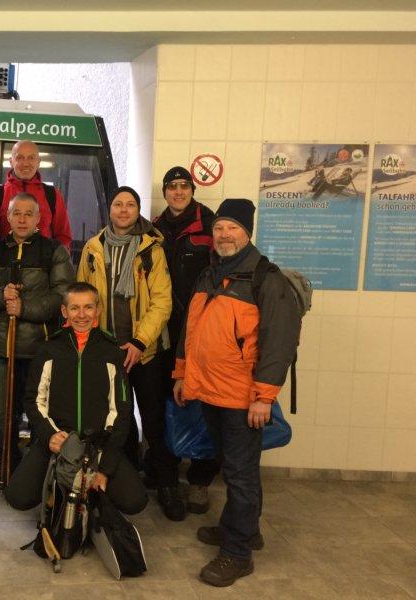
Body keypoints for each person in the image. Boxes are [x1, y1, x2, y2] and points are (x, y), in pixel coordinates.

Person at [172, 199, 301, 587]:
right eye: (219, 228)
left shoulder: (266, 279)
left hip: (243, 397)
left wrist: (264, 397)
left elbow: (279, 343)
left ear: (248, 233)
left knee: (240, 475)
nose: (224, 234)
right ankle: (244, 529)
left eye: (233, 228)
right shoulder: (210, 274)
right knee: (233, 467)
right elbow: (190, 330)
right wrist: (182, 373)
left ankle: (238, 553)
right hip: (209, 391)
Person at [4, 282, 148, 515]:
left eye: (88, 307)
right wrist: (49, 435)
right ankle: (60, 488)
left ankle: (91, 496)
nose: (82, 315)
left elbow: (121, 411)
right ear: (64, 311)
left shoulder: (112, 352)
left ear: (98, 310)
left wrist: (105, 469)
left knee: (135, 501)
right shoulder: (49, 349)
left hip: (98, 444)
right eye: (74, 308)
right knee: (17, 496)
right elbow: (33, 400)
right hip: (59, 439)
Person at [76, 186, 174, 518]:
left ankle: (167, 484)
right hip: (106, 351)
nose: (123, 210)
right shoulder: (93, 248)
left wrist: (139, 341)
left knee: (153, 419)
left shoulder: (151, 250)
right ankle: (127, 481)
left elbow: (162, 302)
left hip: (143, 353)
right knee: (119, 422)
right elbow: (82, 297)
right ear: (110, 209)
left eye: (130, 205)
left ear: (137, 211)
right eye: (118, 204)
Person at [0, 192, 74, 491]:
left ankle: (38, 469)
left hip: (41, 349)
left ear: (39, 219)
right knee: (4, 414)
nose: (22, 219)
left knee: (41, 413)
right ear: (8, 217)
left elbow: (63, 295)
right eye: (16, 213)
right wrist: (0, 296)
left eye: (29, 213)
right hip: (2, 349)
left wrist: (25, 308)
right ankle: (6, 464)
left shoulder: (54, 251)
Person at [152, 166, 220, 519]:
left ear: (192, 190)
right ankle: (167, 471)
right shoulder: (155, 228)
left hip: (202, 331)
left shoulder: (211, 225)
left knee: (204, 405)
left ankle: (200, 480)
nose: (178, 192)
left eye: (184, 186)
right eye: (172, 187)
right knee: (169, 401)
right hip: (165, 332)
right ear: (165, 192)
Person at [0, 140, 72, 249]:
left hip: (43, 260)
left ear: (38, 162)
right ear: (11, 161)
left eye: (31, 158)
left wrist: (58, 259)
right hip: (3, 259)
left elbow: (63, 237)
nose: (26, 163)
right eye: (20, 158)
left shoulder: (52, 195)